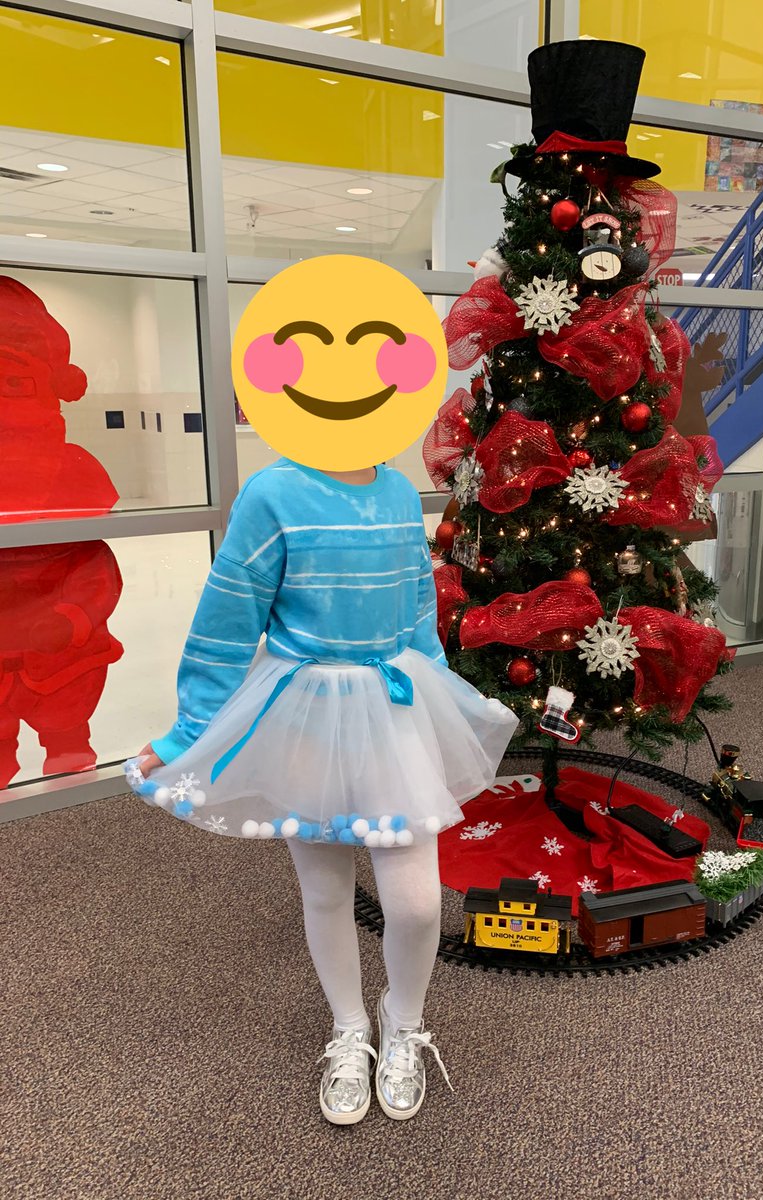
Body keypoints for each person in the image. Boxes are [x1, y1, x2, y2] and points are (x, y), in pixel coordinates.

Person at [127, 457, 518, 1125]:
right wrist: (186, 734)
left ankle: (403, 1022)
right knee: (327, 889)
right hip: (305, 710)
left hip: (393, 709)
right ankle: (349, 1028)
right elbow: (228, 617)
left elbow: (419, 604)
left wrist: (442, 693)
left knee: (418, 904)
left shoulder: (396, 488)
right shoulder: (271, 492)